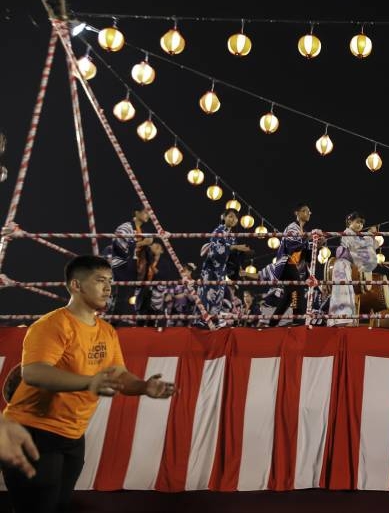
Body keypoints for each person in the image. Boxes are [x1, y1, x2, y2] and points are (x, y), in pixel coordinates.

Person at [1, 255, 175, 513]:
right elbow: (35, 373)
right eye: (100, 280)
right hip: (33, 431)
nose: (108, 288)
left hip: (72, 434)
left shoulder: (106, 331)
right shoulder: (52, 325)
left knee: (60, 505)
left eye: (110, 282)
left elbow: (119, 375)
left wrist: (144, 387)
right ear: (76, 286)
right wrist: (89, 382)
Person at [259, 203, 314, 326]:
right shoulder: (292, 228)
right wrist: (307, 238)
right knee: (298, 290)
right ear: (297, 213)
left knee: (289, 296)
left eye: (309, 211)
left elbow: (306, 255)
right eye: (304, 210)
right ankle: (297, 320)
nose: (308, 213)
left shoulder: (302, 231)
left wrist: (317, 244)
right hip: (286, 264)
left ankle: (273, 323)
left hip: (291, 265)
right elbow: (291, 246)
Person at [200, 209, 252, 327]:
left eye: (235, 218)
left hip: (222, 271)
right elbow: (216, 250)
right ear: (224, 217)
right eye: (230, 216)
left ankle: (213, 322)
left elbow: (232, 257)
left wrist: (239, 263)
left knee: (218, 297)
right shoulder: (218, 230)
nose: (232, 219)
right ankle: (203, 322)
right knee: (208, 296)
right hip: (211, 269)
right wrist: (236, 247)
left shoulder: (232, 236)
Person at [325, 211, 379, 326]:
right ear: (350, 222)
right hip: (341, 267)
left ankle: (343, 320)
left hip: (346, 267)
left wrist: (371, 237)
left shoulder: (354, 235)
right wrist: (369, 234)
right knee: (342, 292)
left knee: (346, 292)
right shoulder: (348, 233)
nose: (360, 225)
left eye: (362, 223)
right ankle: (341, 320)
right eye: (358, 222)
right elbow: (359, 246)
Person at [101, 207, 153, 320]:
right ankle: (108, 325)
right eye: (145, 212)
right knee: (120, 299)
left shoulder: (142, 230)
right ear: (137, 212)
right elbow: (120, 246)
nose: (148, 215)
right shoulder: (125, 227)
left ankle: (113, 325)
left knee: (130, 301)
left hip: (136, 269)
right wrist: (143, 242)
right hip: (123, 267)